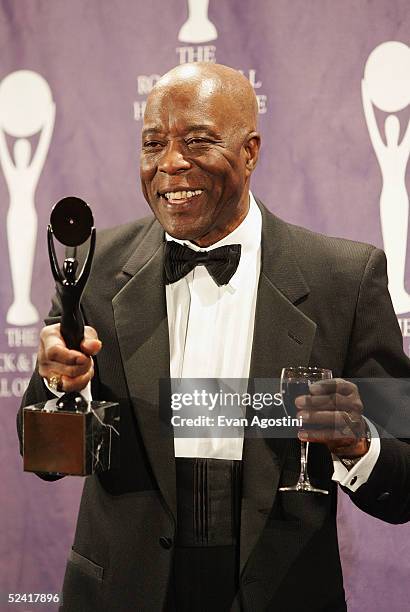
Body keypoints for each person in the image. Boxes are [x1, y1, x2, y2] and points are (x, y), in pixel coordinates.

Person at [18, 63, 410, 612]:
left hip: (282, 593)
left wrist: (358, 445)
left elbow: (404, 477)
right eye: (154, 143)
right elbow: (46, 460)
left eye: (198, 140)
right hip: (122, 591)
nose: (171, 163)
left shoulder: (342, 279)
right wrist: (62, 389)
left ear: (250, 152)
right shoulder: (95, 269)